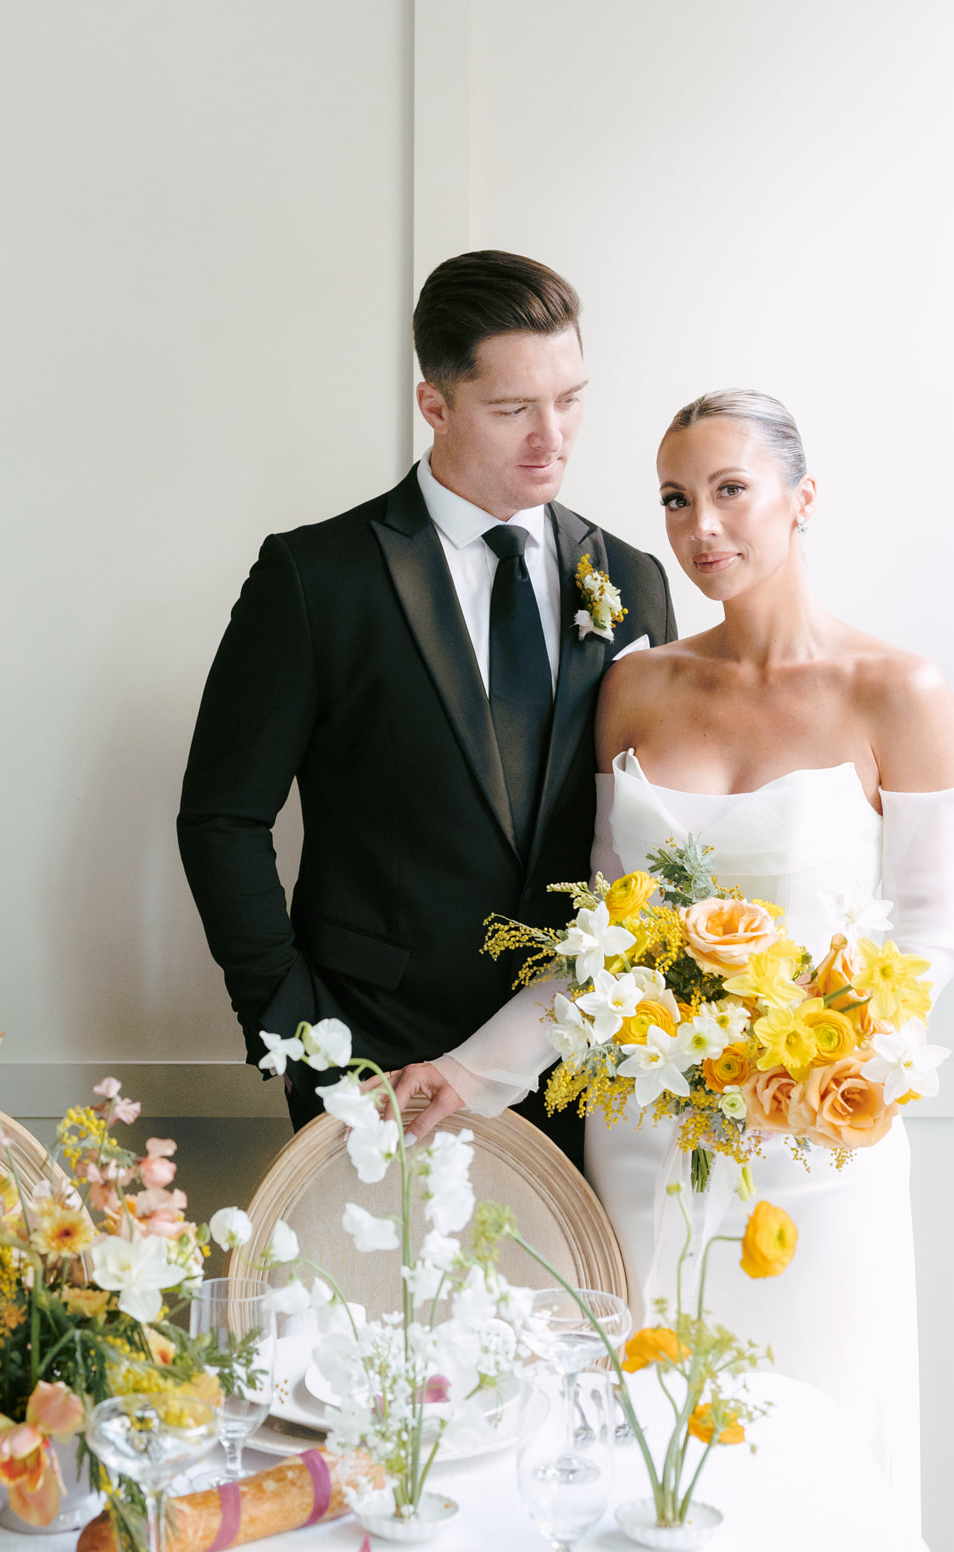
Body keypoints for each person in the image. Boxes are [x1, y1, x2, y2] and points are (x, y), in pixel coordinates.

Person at [389, 389, 954, 1524]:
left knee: (810, 1453)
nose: (700, 525)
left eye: (729, 489)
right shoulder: (637, 685)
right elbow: (607, 944)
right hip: (647, 1138)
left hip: (810, 1148)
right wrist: (469, 1070)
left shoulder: (899, 691)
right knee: (645, 1454)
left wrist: (817, 1077)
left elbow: (931, 935)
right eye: (674, 498)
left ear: (803, 499)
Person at [176, 250, 677, 1168]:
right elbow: (221, 815)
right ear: (434, 404)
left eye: (569, 398)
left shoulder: (630, 579)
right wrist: (301, 1033)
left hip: (576, 1061)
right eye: (513, 408)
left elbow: (648, 835)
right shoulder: (314, 578)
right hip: (374, 1064)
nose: (551, 436)